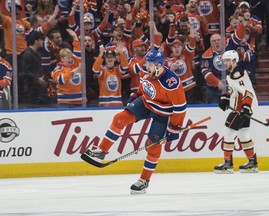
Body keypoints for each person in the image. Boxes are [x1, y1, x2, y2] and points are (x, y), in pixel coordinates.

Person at [83, 50, 187, 194]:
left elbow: (180, 108)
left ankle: (144, 180)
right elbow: (143, 85)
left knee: (152, 146)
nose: (146, 66)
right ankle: (102, 151)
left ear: (158, 65)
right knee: (119, 118)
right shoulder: (146, 70)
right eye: (146, 63)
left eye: (149, 64)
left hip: (163, 113)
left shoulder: (171, 82)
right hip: (146, 103)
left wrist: (175, 127)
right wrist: (135, 95)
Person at [214, 50, 258, 174]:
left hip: (240, 109)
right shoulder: (234, 72)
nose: (225, 63)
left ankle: (227, 164)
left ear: (234, 61)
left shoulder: (237, 73)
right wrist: (226, 97)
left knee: (228, 131)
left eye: (228, 60)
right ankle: (252, 163)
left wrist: (246, 107)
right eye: (225, 60)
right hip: (244, 108)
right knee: (244, 134)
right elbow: (236, 90)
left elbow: (247, 92)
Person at [50, 29, 86, 108]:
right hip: (65, 103)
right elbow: (61, 80)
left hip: (79, 102)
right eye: (68, 58)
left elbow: (78, 51)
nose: (70, 59)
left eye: (71, 57)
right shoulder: (58, 69)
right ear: (62, 59)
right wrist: (73, 72)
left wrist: (75, 38)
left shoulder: (75, 64)